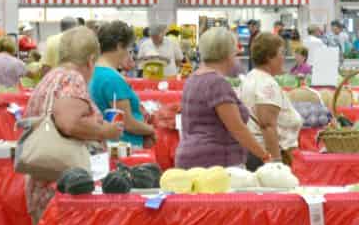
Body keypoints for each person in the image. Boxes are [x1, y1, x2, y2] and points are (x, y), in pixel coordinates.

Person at [22, 27, 123, 225]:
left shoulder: (50, 77)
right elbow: (69, 123)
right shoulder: (72, 78)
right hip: (65, 188)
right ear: (91, 60)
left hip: (42, 183)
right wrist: (105, 130)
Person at [175, 27, 270, 169]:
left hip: (192, 157)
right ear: (227, 53)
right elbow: (237, 129)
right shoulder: (217, 83)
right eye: (234, 51)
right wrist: (265, 156)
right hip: (216, 163)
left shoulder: (194, 78)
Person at [240, 33, 303, 169]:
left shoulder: (251, 77)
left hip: (254, 153)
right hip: (264, 156)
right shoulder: (267, 84)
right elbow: (267, 125)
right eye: (281, 53)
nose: (284, 58)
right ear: (269, 57)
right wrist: (276, 163)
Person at [90, 21, 155, 148]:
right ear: (119, 46)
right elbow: (127, 123)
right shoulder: (112, 78)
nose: (128, 53)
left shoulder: (93, 70)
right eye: (128, 48)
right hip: (124, 146)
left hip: (106, 144)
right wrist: (151, 129)